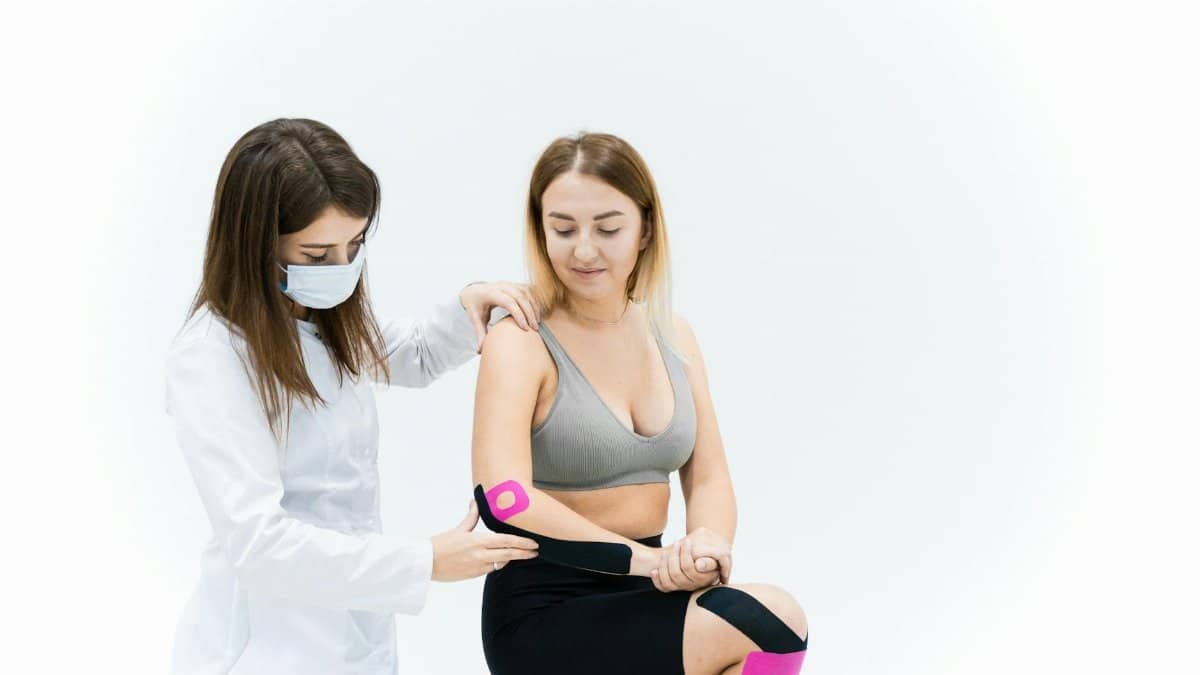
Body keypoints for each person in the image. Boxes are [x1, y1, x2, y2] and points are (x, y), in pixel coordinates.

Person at [165, 118, 541, 675]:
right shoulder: (214, 356)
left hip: (353, 633)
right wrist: (425, 561)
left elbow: (411, 355)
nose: (341, 270)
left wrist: (471, 306)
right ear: (253, 245)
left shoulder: (317, 318)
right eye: (316, 256)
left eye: (355, 244)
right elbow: (258, 545)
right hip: (264, 645)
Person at [472, 132, 810, 674]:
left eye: (608, 228)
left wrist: (704, 547)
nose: (584, 249)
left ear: (646, 228)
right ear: (540, 230)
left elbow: (710, 477)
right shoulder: (520, 338)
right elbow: (504, 497)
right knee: (770, 623)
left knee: (770, 633)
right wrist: (648, 561)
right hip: (544, 608)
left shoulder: (674, 335)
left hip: (650, 590)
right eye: (562, 228)